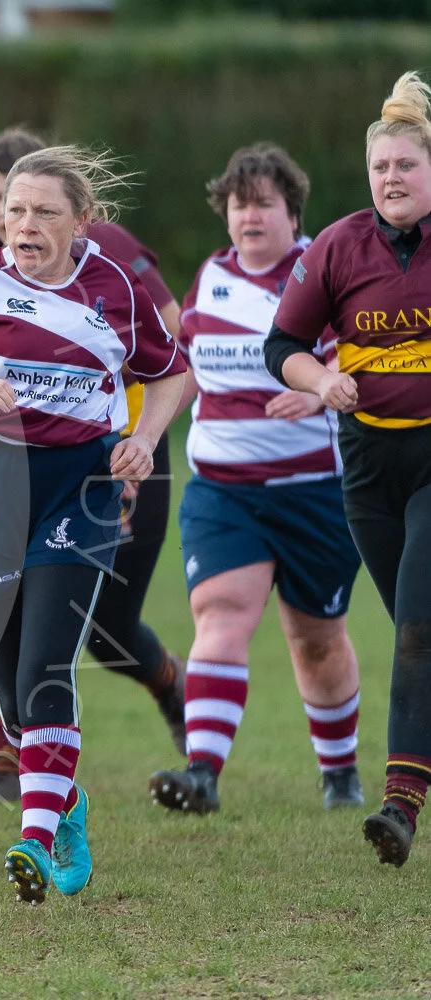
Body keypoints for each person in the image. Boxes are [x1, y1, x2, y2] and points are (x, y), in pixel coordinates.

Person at [0, 146, 188, 904]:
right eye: (13, 210)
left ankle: (31, 833)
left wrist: (144, 438)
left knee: (45, 667)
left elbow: (173, 372)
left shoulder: (114, 289)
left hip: (80, 486)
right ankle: (65, 805)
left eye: (43, 213)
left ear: (82, 221)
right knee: (8, 682)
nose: (22, 225)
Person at [0, 128, 188, 800]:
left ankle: (173, 688)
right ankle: (11, 771)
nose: (14, 220)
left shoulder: (113, 256)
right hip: (13, 472)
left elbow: (174, 344)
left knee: (110, 632)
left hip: (112, 459)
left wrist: (137, 438)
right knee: (1, 604)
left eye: (29, 204)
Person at [149, 144, 364, 816]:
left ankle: (339, 771)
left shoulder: (325, 273)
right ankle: (203, 772)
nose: (250, 215)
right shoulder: (210, 276)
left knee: (316, 640)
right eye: (240, 204)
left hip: (315, 490)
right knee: (221, 614)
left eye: (264, 203)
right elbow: (184, 369)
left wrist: (321, 390)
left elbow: (371, 365)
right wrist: (143, 437)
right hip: (223, 490)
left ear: (292, 213)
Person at [265, 71, 431, 867]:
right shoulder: (335, 245)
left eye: (406, 165)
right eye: (381, 169)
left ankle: (399, 807)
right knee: (415, 625)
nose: (392, 179)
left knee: (419, 633)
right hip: (368, 463)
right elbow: (281, 348)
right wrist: (320, 380)